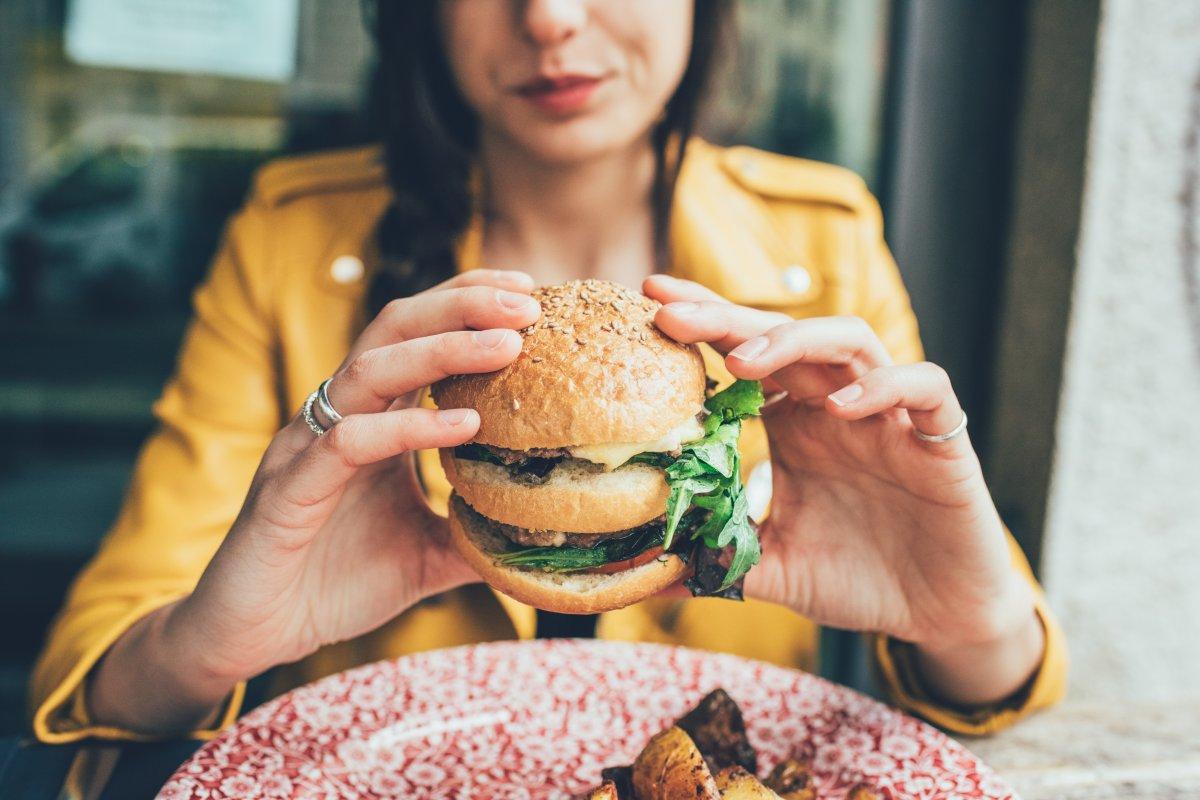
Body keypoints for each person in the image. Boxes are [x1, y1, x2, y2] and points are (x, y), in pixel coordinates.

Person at [30, 0, 1065, 743]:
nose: (551, 18)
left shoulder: (824, 242)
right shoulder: (289, 239)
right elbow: (95, 670)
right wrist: (213, 641)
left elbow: (1002, 674)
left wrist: (965, 618)